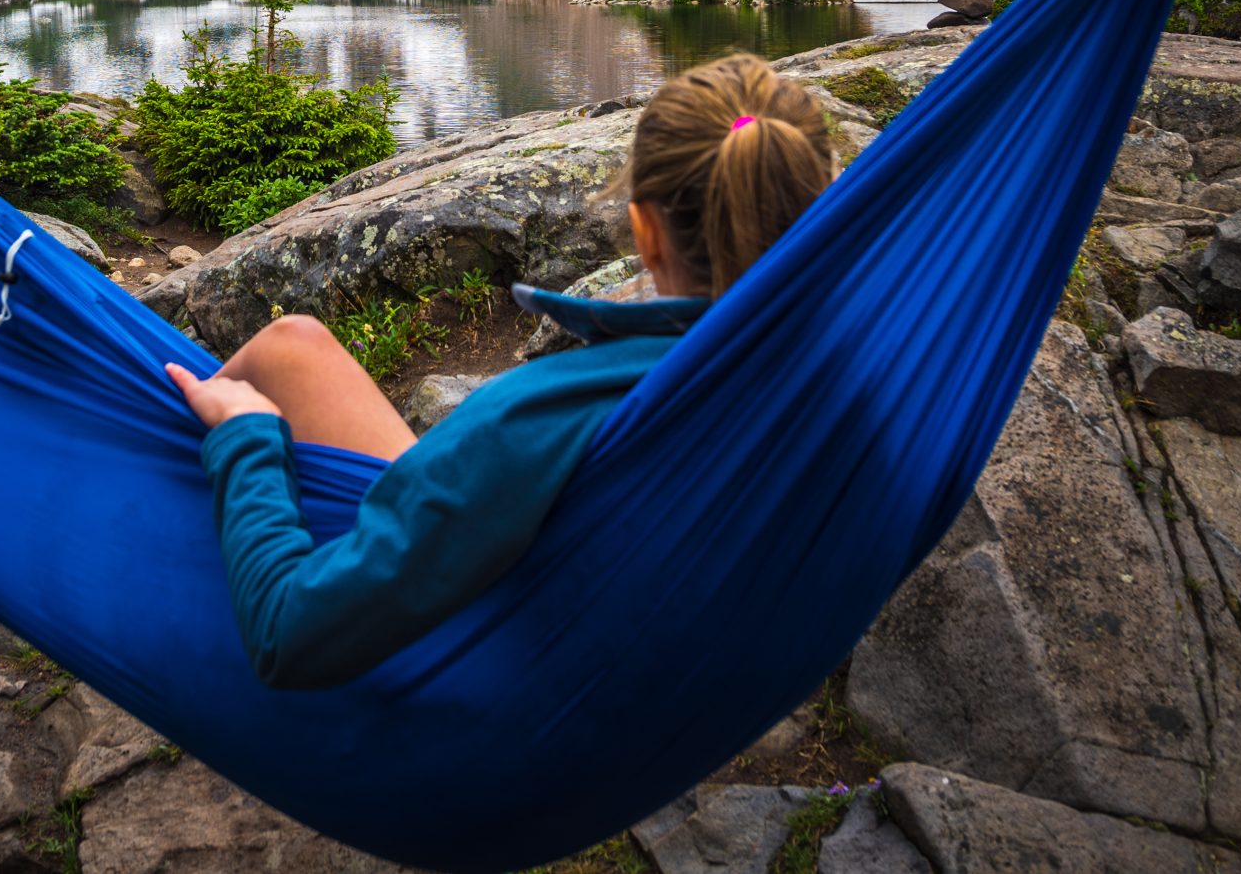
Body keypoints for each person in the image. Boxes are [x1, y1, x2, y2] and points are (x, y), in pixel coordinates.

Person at [163, 52, 835, 688]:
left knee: (272, 363)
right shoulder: (845, 371)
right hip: (646, 656)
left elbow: (287, 635)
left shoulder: (545, 416)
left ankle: (148, 499)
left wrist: (249, 438)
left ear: (646, 231)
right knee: (296, 346)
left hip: (491, 686)